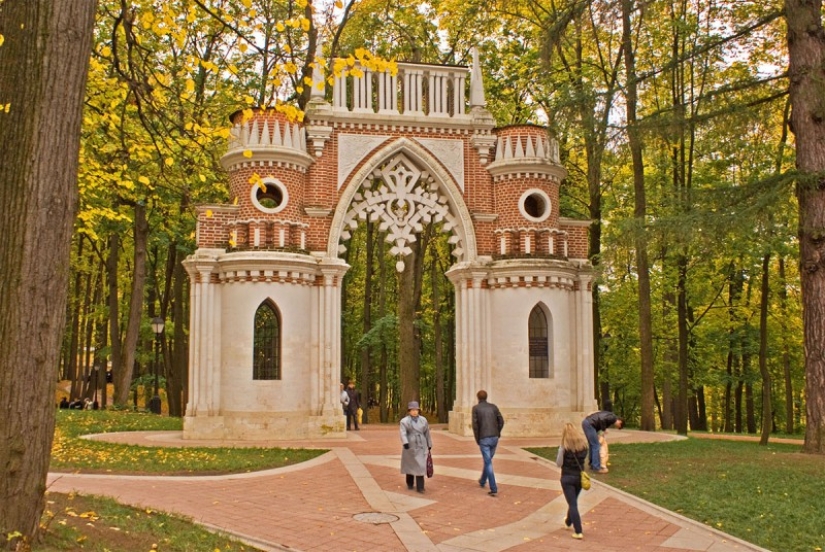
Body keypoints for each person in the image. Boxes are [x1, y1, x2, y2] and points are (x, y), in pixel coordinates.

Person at [555, 422, 589, 540]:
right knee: (573, 501)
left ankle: (578, 530)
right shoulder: (583, 446)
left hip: (567, 478)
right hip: (579, 478)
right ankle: (568, 522)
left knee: (573, 504)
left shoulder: (564, 447)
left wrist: (561, 451)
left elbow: (559, 463)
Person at [472, 389, 504, 496]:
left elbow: (475, 426)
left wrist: (478, 439)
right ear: (486, 397)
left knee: (488, 462)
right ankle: (482, 480)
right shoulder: (493, 407)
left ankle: (493, 488)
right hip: (494, 437)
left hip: (484, 438)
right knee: (488, 460)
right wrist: (498, 432)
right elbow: (501, 421)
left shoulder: (476, 408)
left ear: (478, 398)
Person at [399, 401, 432, 493]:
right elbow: (403, 432)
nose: (414, 412)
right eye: (412, 410)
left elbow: (427, 432)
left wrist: (429, 444)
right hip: (410, 444)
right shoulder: (404, 421)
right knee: (410, 464)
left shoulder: (423, 420)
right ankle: (409, 482)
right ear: (409, 411)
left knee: (421, 465)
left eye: (416, 410)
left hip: (421, 444)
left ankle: (420, 487)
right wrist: (405, 442)